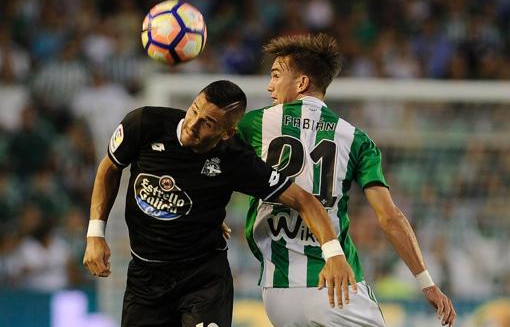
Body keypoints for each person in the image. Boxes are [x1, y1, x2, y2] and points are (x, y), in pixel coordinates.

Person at [82, 80, 357, 327]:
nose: (193, 124)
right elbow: (110, 168)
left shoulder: (235, 159)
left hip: (202, 278)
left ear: (227, 133)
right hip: (145, 277)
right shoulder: (145, 123)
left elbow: (303, 200)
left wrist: (334, 254)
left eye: (208, 123)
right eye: (194, 110)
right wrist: (95, 233)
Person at [236, 34, 456, 327]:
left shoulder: (253, 124)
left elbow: (214, 168)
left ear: (301, 83)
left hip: (277, 293)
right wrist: (425, 281)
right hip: (335, 284)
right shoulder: (356, 140)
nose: (269, 85)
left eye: (276, 75)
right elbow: (389, 218)